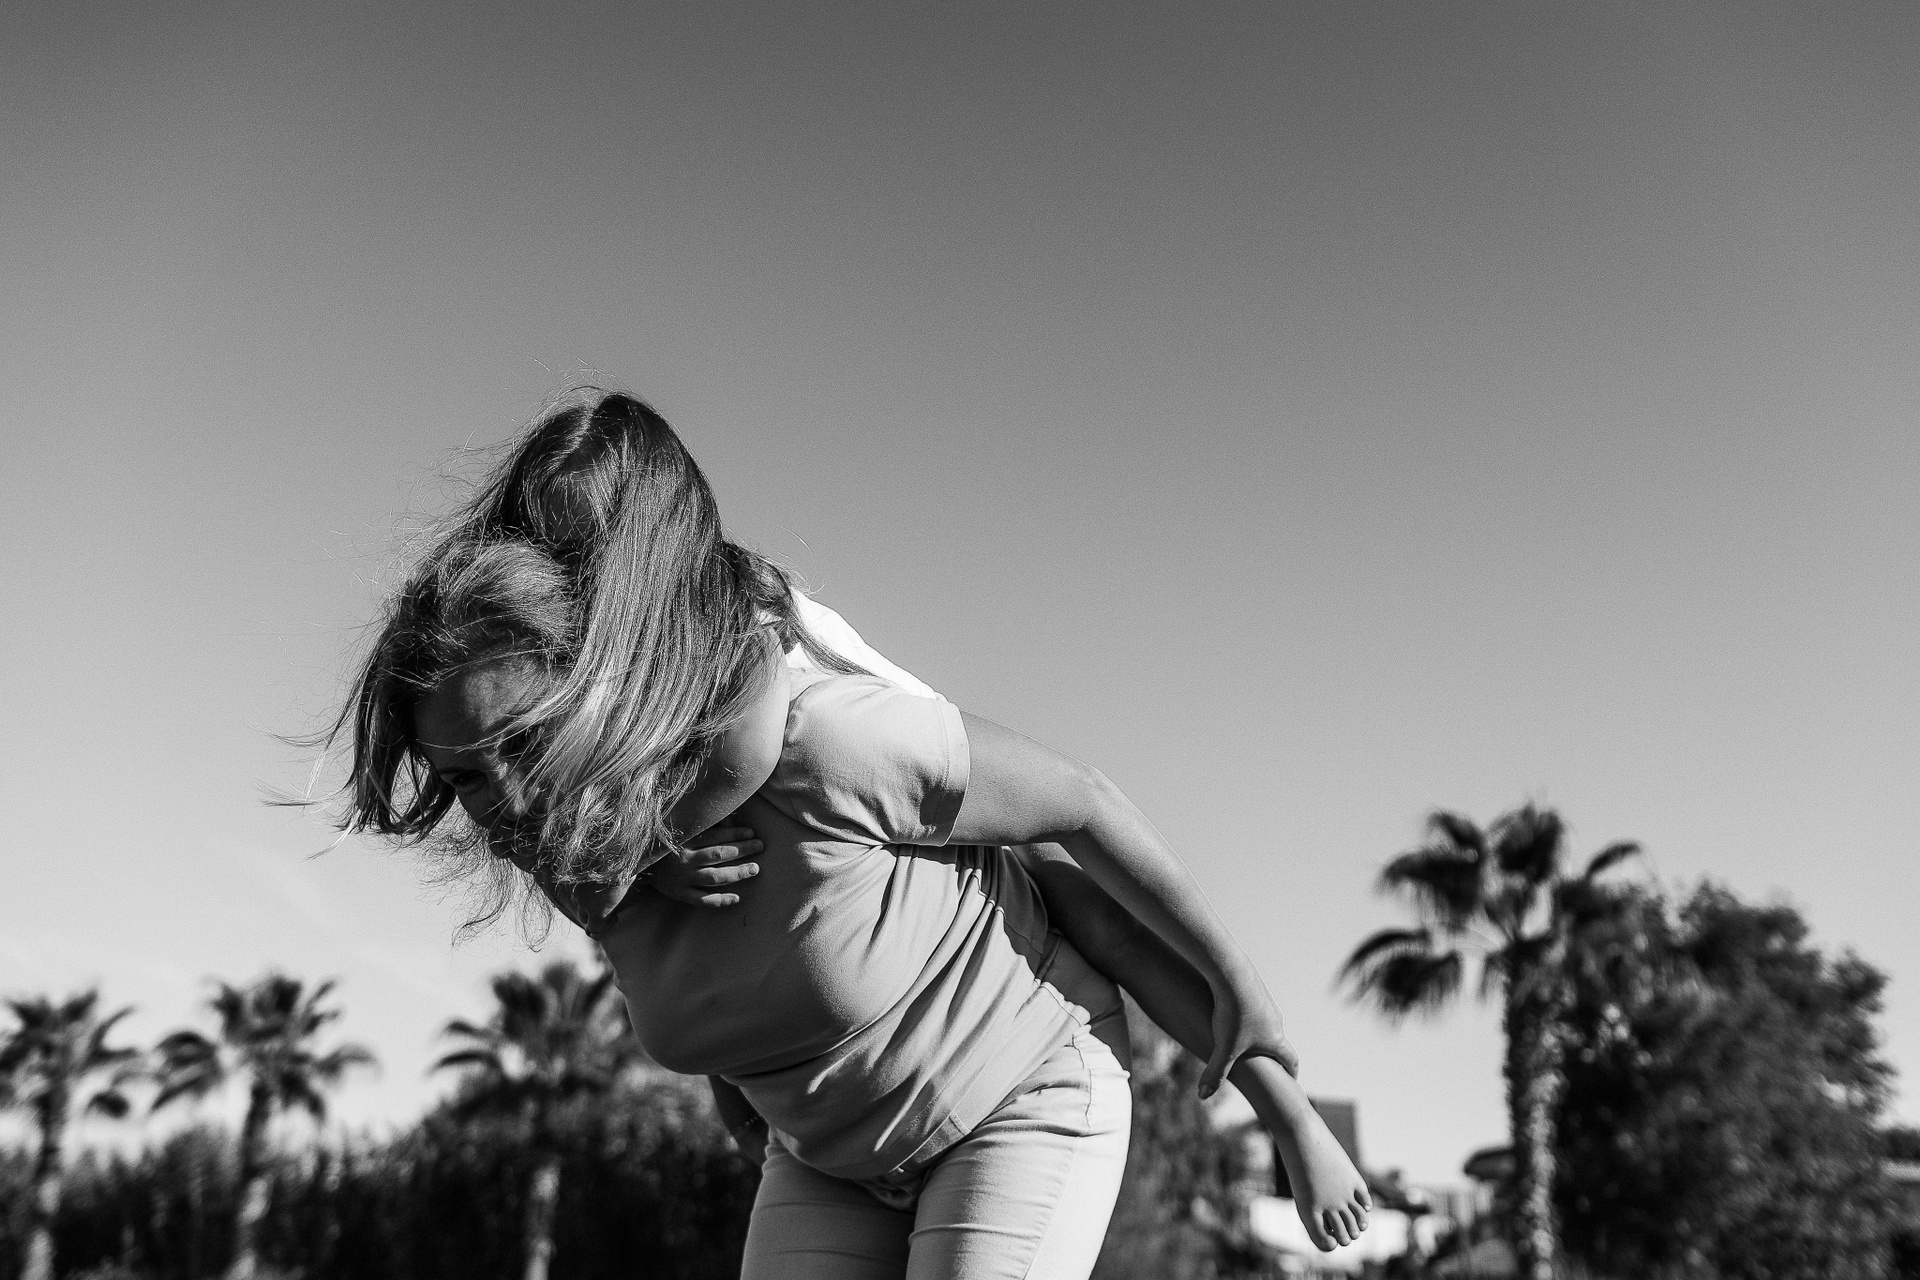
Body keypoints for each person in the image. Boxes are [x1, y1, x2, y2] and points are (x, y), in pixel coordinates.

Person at [331, 391, 1369, 1277]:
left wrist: (1255, 1020)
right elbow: (705, 971)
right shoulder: (577, 796)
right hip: (837, 1140)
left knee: (1079, 901)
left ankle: (1271, 1082)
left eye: (579, 562)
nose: (502, 797)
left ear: (645, 572)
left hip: (983, 939)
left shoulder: (777, 674)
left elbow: (1056, 806)